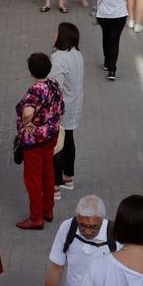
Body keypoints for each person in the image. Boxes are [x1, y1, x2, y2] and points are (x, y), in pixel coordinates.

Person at [15, 52, 64, 230]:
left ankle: (36, 217)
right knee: (48, 172)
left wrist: (26, 124)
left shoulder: (35, 91)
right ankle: (48, 209)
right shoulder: (54, 85)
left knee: (33, 178)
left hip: (35, 141)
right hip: (51, 135)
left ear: (31, 71)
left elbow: (28, 112)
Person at [48, 21, 84, 192]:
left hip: (62, 108)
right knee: (68, 139)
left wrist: (53, 111)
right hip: (75, 104)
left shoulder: (58, 59)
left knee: (56, 145)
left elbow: (56, 88)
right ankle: (68, 177)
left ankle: (55, 185)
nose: (53, 35)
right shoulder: (77, 54)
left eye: (56, 32)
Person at [94, 0, 130, 80]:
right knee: (115, 41)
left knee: (106, 36)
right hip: (119, 15)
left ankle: (106, 61)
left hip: (103, 15)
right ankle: (112, 70)